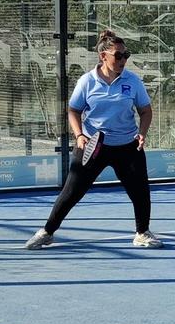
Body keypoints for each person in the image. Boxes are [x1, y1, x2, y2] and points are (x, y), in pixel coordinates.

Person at [25, 29, 163, 250]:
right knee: (71, 192)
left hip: (127, 146)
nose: (123, 60)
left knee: (140, 192)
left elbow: (145, 111)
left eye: (126, 55)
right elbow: (74, 110)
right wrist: (79, 135)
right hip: (93, 145)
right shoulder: (87, 81)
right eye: (118, 55)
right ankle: (47, 232)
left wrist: (142, 133)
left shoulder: (133, 81)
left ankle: (142, 233)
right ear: (103, 56)